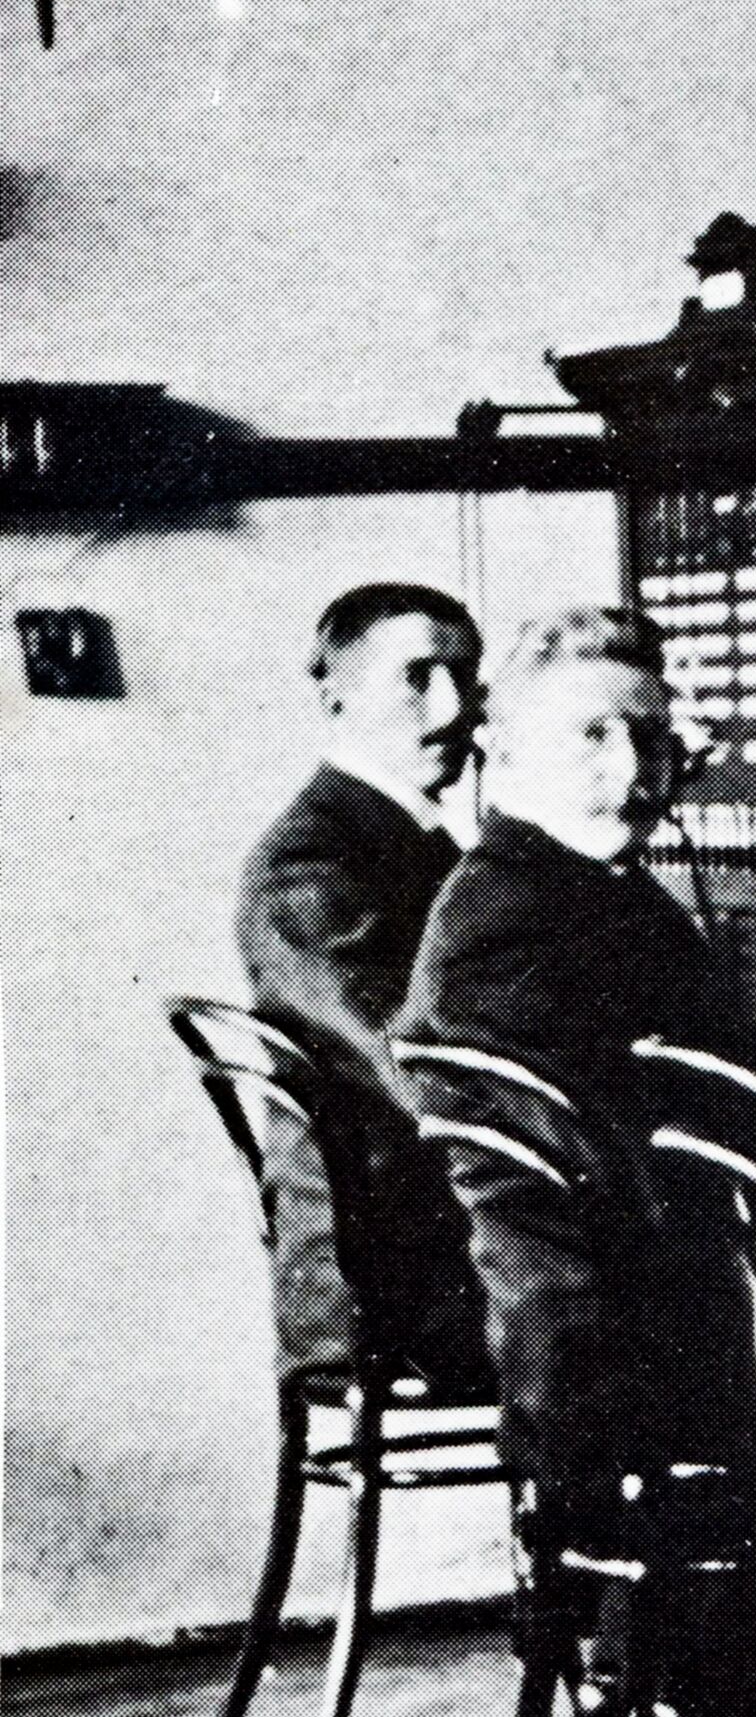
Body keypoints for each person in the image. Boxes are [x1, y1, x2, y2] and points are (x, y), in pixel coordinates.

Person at [399, 605, 756, 1554]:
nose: (634, 767)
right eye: (592, 736)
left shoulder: (592, 889)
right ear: (506, 753)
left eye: (650, 736)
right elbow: (626, 1167)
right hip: (616, 1342)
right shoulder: (508, 917)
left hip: (648, 1305)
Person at [234, 582, 494, 1397]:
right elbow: (415, 1061)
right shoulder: (308, 864)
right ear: (335, 697)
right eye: (418, 676)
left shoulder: (422, 843)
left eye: (465, 675)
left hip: (445, 1241)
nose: (453, 707)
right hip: (391, 1285)